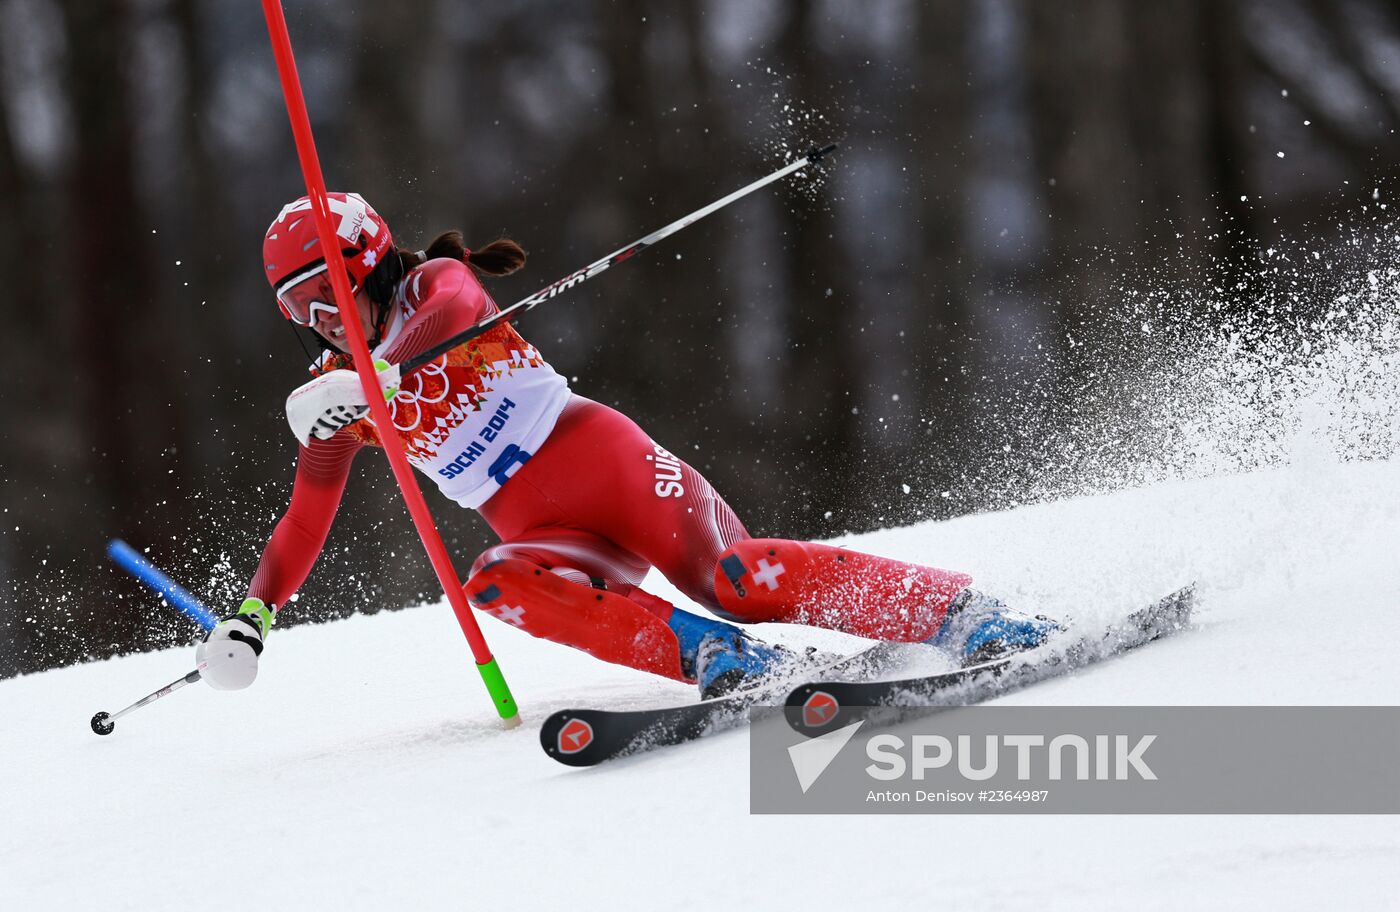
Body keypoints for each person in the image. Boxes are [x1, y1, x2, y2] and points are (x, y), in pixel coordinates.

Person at [195, 192, 1057, 696]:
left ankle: (964, 615)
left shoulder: (434, 286)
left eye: (319, 295)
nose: (316, 323)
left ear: (364, 260)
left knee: (735, 577)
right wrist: (254, 613)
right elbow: (306, 516)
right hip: (545, 530)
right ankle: (722, 660)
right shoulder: (339, 394)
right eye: (293, 311)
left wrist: (381, 378)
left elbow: (452, 313)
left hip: (608, 466)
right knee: (495, 580)